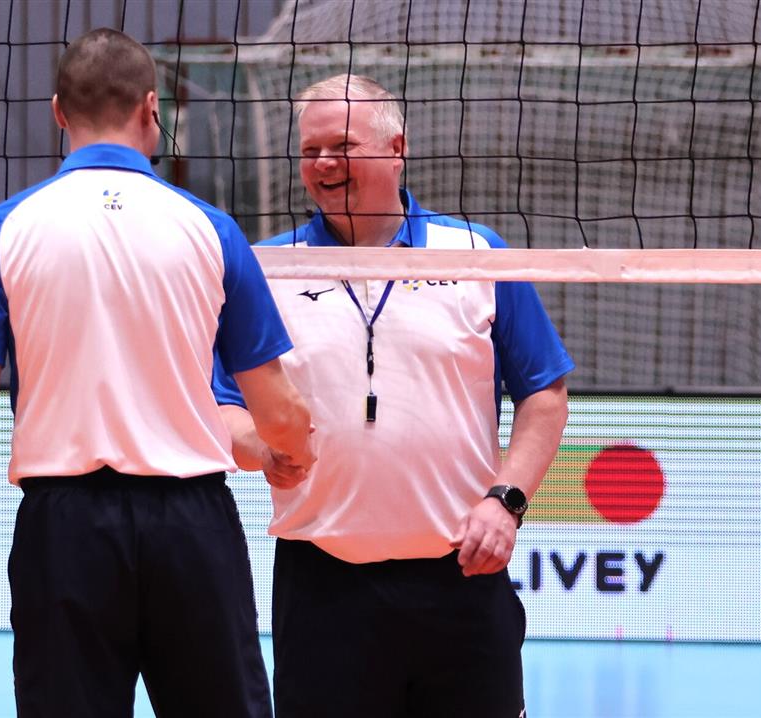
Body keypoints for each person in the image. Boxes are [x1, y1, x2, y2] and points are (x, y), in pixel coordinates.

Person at [0, 28, 314, 718]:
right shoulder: (211, 229)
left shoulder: (2, 230)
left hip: (63, 529)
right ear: (150, 109)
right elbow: (277, 407)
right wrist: (293, 448)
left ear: (58, 112)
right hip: (192, 527)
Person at [214, 74, 573, 718]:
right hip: (322, 584)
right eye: (310, 150)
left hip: (461, 580)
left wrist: (507, 501)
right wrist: (256, 449)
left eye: (342, 146)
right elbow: (223, 402)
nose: (323, 164)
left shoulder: (476, 254)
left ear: (396, 148)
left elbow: (544, 393)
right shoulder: (267, 266)